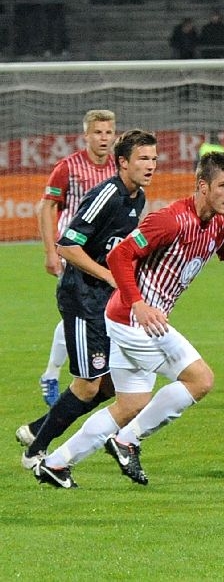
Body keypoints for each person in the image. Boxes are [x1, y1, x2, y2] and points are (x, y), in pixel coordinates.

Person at [33, 151, 224, 489]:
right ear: (202, 185)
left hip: (138, 319)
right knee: (200, 380)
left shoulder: (223, 224)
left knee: (130, 405)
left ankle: (56, 463)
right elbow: (119, 254)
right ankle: (127, 442)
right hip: (134, 320)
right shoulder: (169, 219)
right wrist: (137, 303)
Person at [18, 130, 158, 470]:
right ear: (123, 162)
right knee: (87, 384)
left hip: (106, 301)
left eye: (154, 159)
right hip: (81, 298)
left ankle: (37, 428)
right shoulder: (106, 194)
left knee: (109, 385)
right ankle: (35, 450)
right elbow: (68, 244)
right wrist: (109, 275)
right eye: (143, 158)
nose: (151, 165)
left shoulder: (137, 198)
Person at [32, 110, 118, 408]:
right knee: (81, 314)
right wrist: (50, 251)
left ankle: (74, 372)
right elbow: (46, 208)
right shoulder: (67, 167)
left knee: (91, 315)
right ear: (86, 135)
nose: (104, 138)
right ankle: (53, 374)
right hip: (74, 252)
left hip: (105, 256)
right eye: (98, 132)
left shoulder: (119, 168)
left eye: (108, 132)